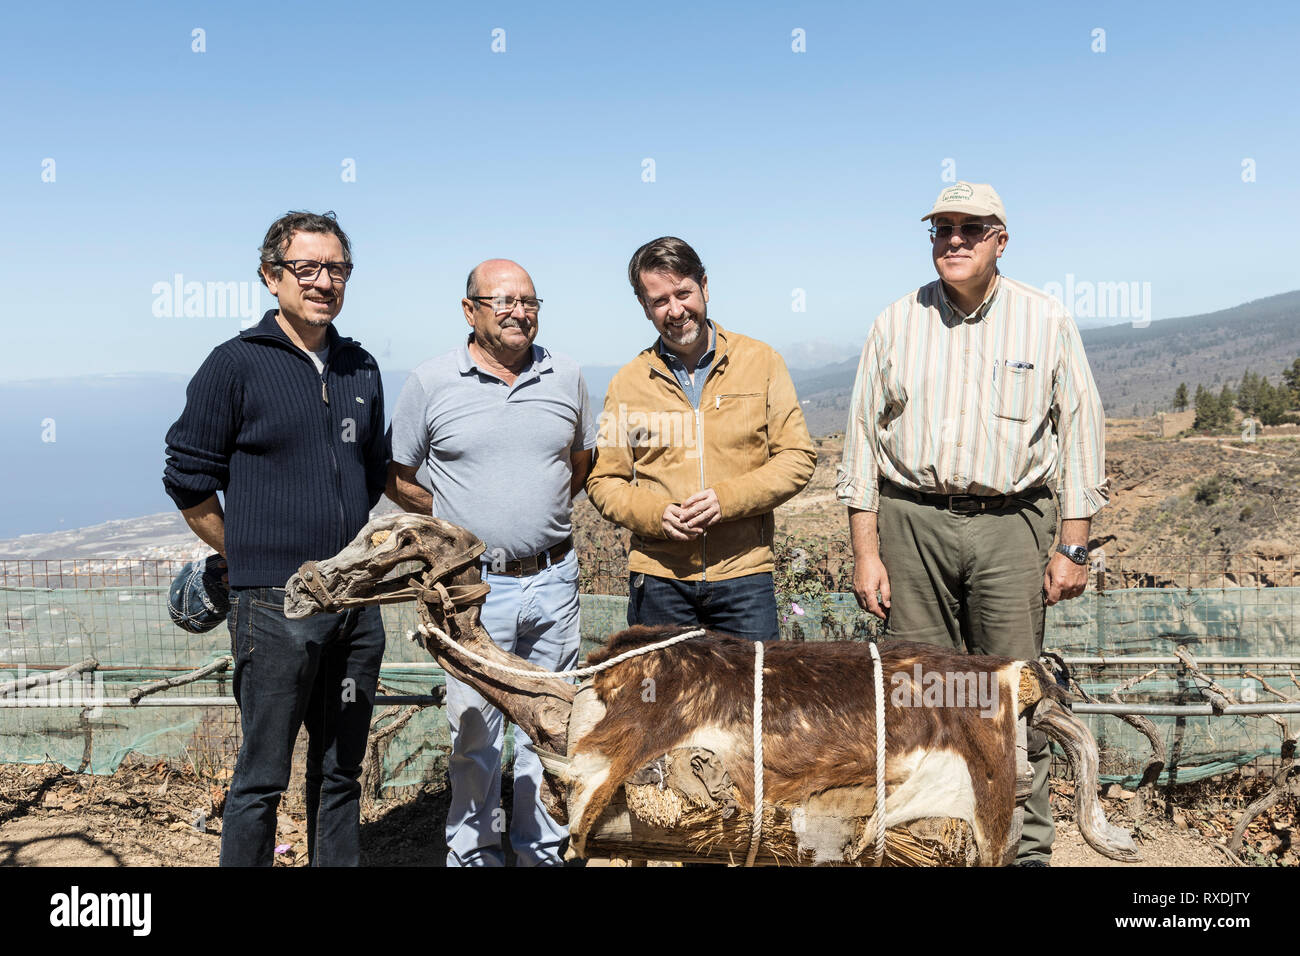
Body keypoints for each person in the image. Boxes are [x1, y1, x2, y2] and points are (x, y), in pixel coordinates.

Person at [836, 182, 1108, 866]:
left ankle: (1023, 852)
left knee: (1012, 696)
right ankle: (933, 847)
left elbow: (1080, 433)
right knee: (921, 699)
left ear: (1000, 240)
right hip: (912, 524)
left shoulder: (1045, 320)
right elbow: (861, 443)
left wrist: (1072, 543)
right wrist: (866, 552)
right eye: (941, 228)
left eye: (970, 228)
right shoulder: (895, 322)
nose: (953, 239)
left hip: (1010, 525)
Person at [163, 210, 389, 867]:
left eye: (336, 268)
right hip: (273, 605)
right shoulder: (234, 365)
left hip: (354, 601)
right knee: (262, 778)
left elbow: (371, 469)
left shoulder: (360, 367)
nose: (323, 281)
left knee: (341, 771)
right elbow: (187, 476)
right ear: (271, 276)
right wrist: (246, 556)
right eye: (307, 268)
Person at [386, 259, 595, 867]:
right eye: (502, 300)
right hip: (470, 588)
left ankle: (540, 852)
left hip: (554, 580)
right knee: (475, 734)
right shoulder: (430, 382)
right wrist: (458, 525)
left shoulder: (568, 376)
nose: (518, 311)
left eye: (528, 301)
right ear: (469, 309)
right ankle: (474, 853)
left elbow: (577, 466)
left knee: (549, 727)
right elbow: (399, 476)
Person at [587, 237, 817, 640]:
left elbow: (797, 457)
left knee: (753, 698)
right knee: (661, 701)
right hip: (659, 581)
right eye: (660, 301)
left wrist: (725, 501)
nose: (675, 311)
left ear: (705, 286)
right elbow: (604, 481)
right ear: (644, 307)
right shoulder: (627, 382)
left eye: (683, 293)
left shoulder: (761, 362)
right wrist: (656, 515)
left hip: (744, 576)